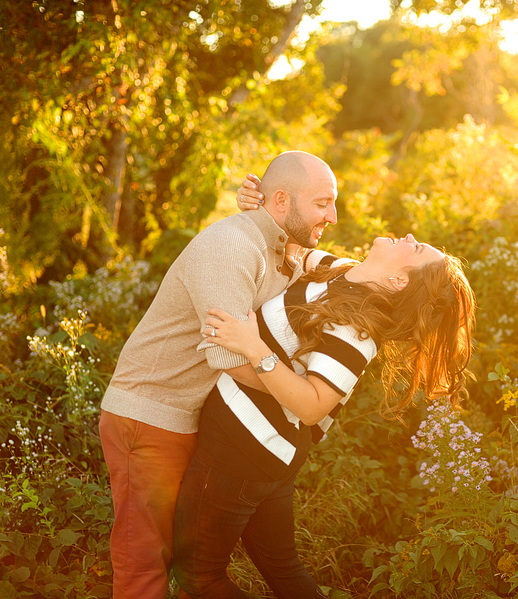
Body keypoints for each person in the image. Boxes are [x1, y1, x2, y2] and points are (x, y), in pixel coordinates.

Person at [99, 151, 346, 599]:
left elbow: (349, 272)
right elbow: (228, 357)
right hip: (151, 414)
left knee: (184, 560)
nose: (333, 215)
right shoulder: (231, 246)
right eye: (323, 203)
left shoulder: (282, 250)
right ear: (283, 200)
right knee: (145, 561)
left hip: (191, 417)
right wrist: (302, 395)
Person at [173, 233, 476, 598]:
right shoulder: (341, 271)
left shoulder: (357, 331)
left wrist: (253, 346)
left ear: (399, 281)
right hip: (269, 453)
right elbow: (292, 249)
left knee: (199, 576)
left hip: (245, 452)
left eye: (415, 248)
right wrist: (257, 201)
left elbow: (314, 405)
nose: (410, 237)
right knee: (283, 570)